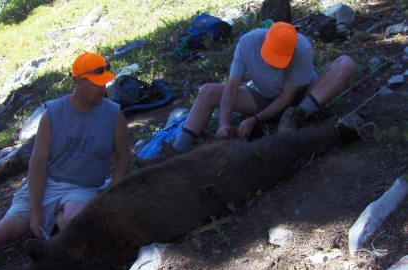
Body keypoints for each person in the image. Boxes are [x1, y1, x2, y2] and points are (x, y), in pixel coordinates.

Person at [0, 52, 131, 270]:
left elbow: (123, 158)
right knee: (5, 232)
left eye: (105, 83)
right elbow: (38, 164)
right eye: (98, 84)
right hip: (48, 182)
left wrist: (112, 194)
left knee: (71, 219)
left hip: (82, 188)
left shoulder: (112, 114)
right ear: (79, 81)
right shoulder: (53, 114)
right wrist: (37, 211)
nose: (103, 89)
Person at [137, 21, 356, 165]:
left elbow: (287, 97)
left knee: (345, 63)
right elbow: (231, 86)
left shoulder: (302, 48)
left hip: (302, 98)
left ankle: (296, 116)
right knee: (208, 91)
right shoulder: (248, 42)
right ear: (265, 39)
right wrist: (224, 122)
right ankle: (177, 150)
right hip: (263, 98)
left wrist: (255, 120)